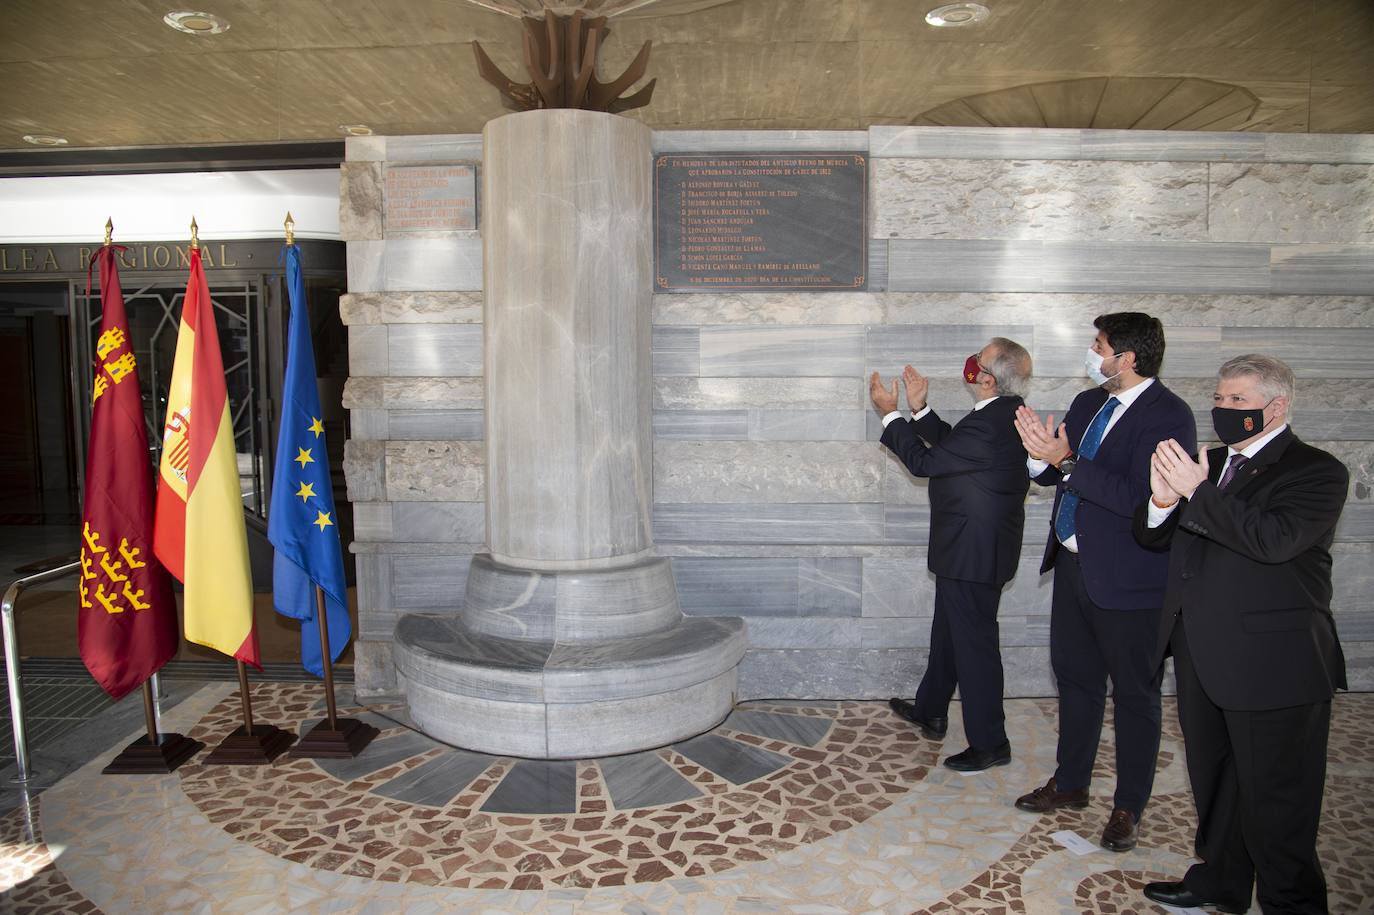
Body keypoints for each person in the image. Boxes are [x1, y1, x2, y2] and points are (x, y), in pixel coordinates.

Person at [1135, 354, 1347, 915]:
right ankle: (1221, 883)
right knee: (1217, 785)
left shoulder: (1316, 470)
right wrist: (1161, 499)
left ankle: (1292, 903)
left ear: (1276, 406)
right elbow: (1161, 541)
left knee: (1279, 804)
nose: (1223, 409)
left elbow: (1272, 540)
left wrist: (1195, 492)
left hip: (1274, 664)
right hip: (1205, 654)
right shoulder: (1212, 464)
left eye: (1238, 400)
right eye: (1220, 398)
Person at [1011, 312, 1195, 852]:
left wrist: (1065, 463)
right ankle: (1071, 784)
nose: (1092, 354)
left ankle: (1128, 806)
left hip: (1130, 578)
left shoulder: (1170, 416)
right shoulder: (1088, 403)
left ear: (1128, 358)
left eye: (1099, 345)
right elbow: (1057, 475)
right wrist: (1038, 456)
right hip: (1074, 566)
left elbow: (1144, 499)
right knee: (1076, 680)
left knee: (1136, 695)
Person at [869, 337, 1032, 772]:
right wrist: (920, 410)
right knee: (949, 632)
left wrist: (890, 414)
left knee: (975, 647)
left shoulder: (992, 421)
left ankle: (990, 742)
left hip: (973, 552)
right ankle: (932, 708)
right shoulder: (1000, 416)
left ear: (987, 378)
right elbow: (952, 451)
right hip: (971, 548)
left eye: (978, 359)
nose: (971, 363)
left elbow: (926, 464)